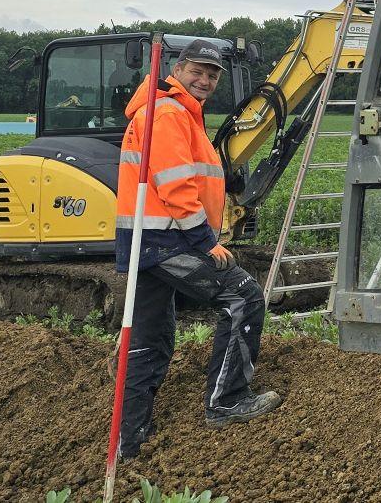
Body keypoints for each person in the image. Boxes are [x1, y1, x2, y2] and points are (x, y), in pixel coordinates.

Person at [114, 39, 281, 460]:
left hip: (146, 241)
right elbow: (175, 184)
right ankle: (226, 401)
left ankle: (131, 437)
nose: (205, 80)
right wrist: (206, 242)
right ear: (178, 68)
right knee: (243, 296)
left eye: (212, 75)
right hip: (168, 239)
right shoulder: (169, 113)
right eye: (198, 72)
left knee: (150, 339)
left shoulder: (174, 111)